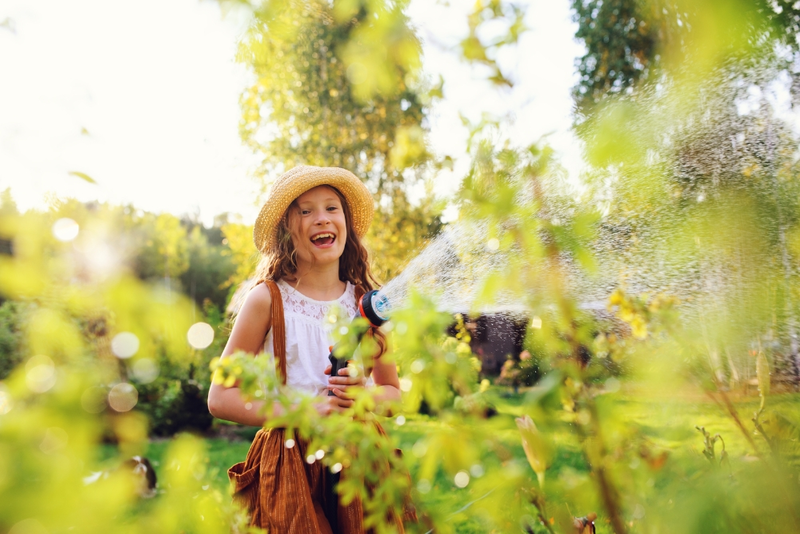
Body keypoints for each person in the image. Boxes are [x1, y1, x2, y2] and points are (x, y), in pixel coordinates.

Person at [207, 165, 406, 533]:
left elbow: (393, 394)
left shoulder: (366, 305)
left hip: (359, 458)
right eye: (305, 210)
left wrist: (364, 397)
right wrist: (303, 410)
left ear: (346, 222)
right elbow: (220, 398)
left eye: (332, 208)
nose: (321, 219)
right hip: (288, 464)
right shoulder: (267, 300)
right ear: (287, 227)